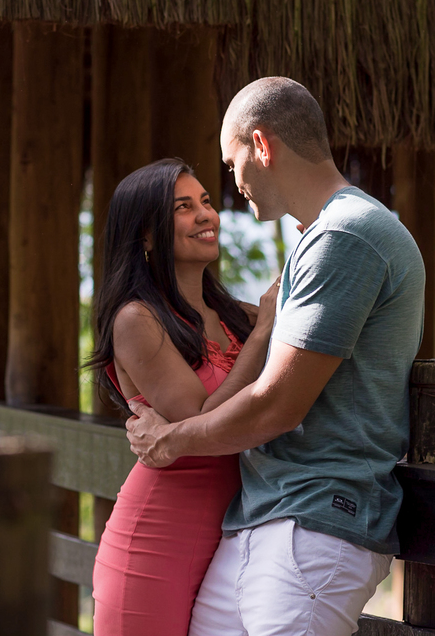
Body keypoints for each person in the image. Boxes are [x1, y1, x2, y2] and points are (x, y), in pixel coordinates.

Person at [126, 77, 426, 636]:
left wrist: (169, 441)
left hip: (314, 521)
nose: (233, 182)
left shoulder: (346, 235)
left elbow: (278, 406)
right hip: (262, 519)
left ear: (262, 146)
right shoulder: (322, 237)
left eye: (232, 162)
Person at [87, 158, 280, 636]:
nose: (205, 215)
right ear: (146, 235)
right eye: (183, 207)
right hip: (153, 547)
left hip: (229, 541)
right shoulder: (136, 320)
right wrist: (261, 337)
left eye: (206, 202)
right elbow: (201, 418)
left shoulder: (234, 315)